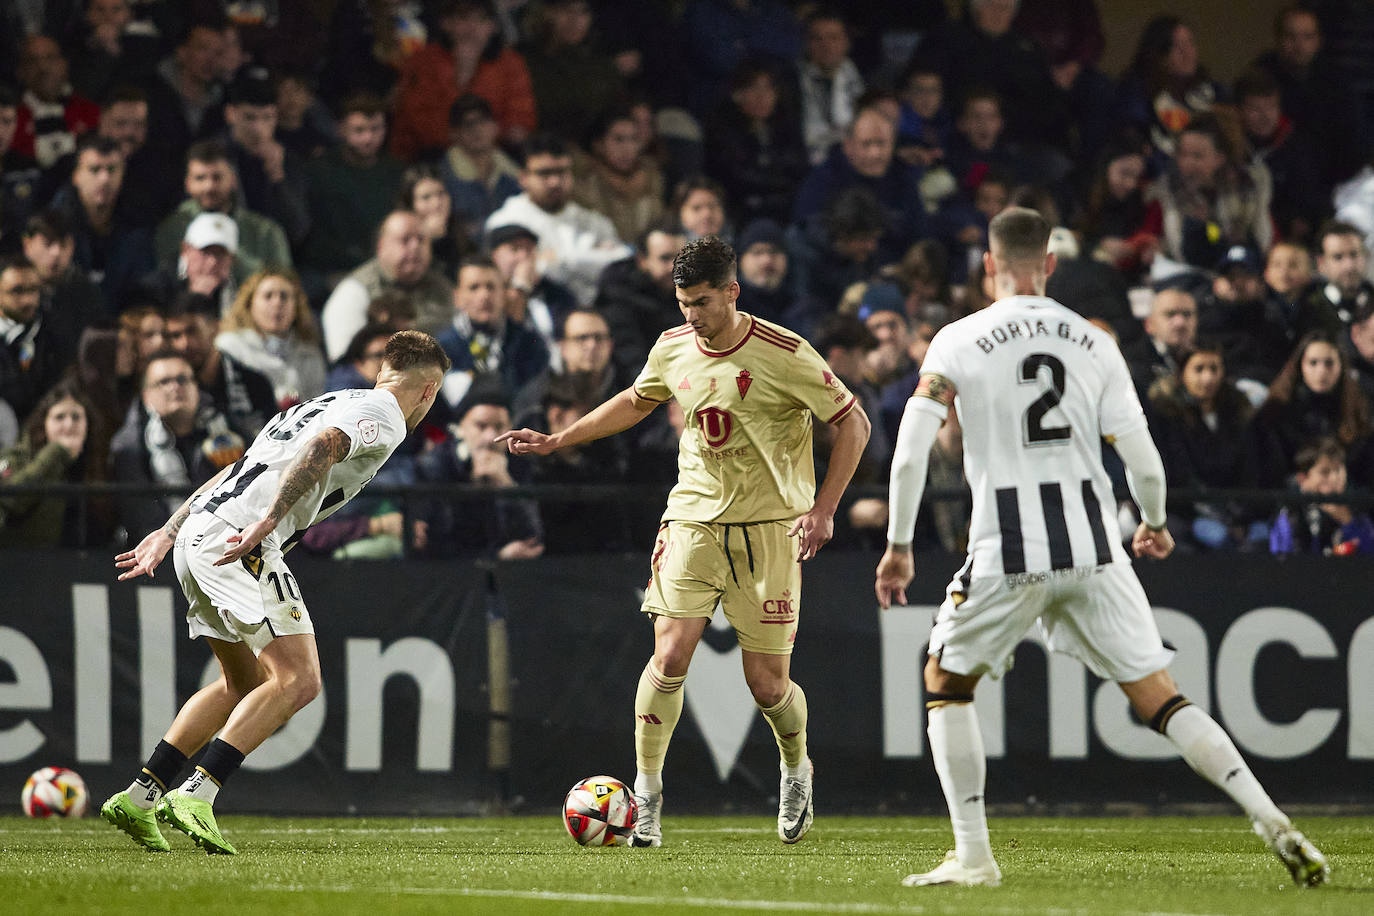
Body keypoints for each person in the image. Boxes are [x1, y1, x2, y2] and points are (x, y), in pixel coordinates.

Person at [873, 207, 1328, 889]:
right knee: (1163, 698)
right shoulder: (1094, 342)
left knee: (946, 681)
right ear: (1050, 264)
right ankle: (1271, 820)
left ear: (990, 266)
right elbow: (1141, 455)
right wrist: (1153, 520)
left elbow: (911, 452)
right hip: (1097, 549)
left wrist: (899, 544)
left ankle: (974, 856)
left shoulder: (957, 339)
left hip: (1011, 549)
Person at [497, 235, 871, 847]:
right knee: (669, 655)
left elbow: (852, 423)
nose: (690, 315)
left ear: (732, 292)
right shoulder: (672, 347)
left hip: (770, 529)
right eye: (682, 302)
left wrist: (825, 509)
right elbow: (636, 400)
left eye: (701, 301)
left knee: (767, 684)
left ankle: (796, 766)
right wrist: (559, 439)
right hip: (692, 520)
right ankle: (646, 796)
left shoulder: (785, 351)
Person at [100, 330, 450, 855]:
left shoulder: (324, 401)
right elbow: (324, 448)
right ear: (428, 391)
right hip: (243, 538)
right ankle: (198, 791)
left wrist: (170, 530)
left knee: (240, 683)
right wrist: (269, 520)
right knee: (300, 680)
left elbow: (238, 469)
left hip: (201, 532)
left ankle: (141, 794)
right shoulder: (385, 414)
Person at [0, 381, 106, 549]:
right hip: (26, 562)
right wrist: (56, 452)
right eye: (59, 417)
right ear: (44, 423)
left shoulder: (96, 460)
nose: (69, 425)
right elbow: (12, 501)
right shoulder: (18, 457)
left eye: (76, 417)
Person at [215, 269, 328, 409]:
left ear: (296, 306)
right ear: (250, 304)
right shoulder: (230, 346)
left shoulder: (310, 353)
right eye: (268, 296)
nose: (277, 303)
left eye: (284, 296)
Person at [1269, 436, 1374, 556]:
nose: (1334, 479)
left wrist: (1348, 522)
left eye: (1338, 470)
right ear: (1302, 479)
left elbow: (1369, 556)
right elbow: (1282, 560)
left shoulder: (1357, 510)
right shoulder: (1289, 512)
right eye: (1325, 472)